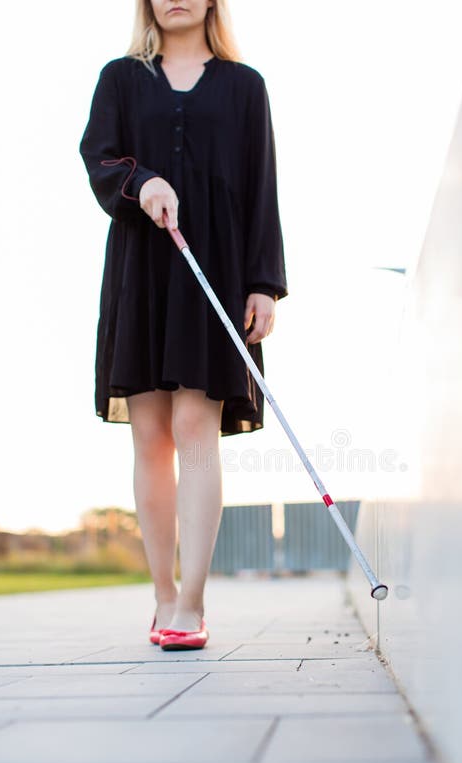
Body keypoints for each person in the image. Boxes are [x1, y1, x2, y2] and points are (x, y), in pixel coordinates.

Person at [79, 0, 288, 650]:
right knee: (150, 435)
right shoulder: (120, 77)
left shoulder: (245, 86)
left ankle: (191, 601)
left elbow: (261, 187)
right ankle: (162, 592)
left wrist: (264, 283)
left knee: (198, 426)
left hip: (214, 270)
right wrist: (140, 185)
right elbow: (100, 157)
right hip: (143, 269)